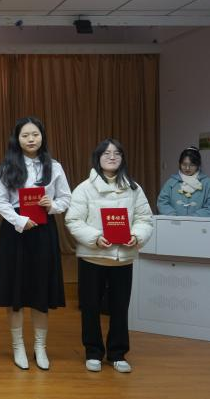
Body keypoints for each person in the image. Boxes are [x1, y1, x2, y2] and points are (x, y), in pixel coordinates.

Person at [65, 138, 153, 374]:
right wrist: (95, 238)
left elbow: (145, 219)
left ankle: (117, 353)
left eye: (117, 153)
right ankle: (93, 352)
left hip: (122, 258)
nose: (112, 157)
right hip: (92, 257)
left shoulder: (134, 188)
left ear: (122, 158)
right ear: (98, 158)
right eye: (106, 153)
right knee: (90, 307)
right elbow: (73, 220)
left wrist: (136, 235)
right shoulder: (84, 188)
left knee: (120, 307)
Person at [0, 116, 71, 371]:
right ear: (17, 139)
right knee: (15, 289)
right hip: (16, 232)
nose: (31, 139)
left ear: (42, 137)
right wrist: (19, 220)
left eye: (35, 134)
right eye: (25, 135)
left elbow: (66, 198)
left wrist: (52, 205)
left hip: (44, 231)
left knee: (40, 289)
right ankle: (18, 346)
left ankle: (40, 347)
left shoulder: (54, 167)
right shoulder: (7, 166)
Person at [157, 146, 210, 216]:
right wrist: (171, 214)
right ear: (180, 164)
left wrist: (196, 216)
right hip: (174, 221)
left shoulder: (206, 183)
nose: (187, 168)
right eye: (184, 164)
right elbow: (162, 202)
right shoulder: (171, 182)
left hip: (198, 222)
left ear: (198, 165)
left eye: (192, 165)